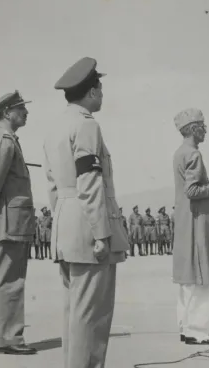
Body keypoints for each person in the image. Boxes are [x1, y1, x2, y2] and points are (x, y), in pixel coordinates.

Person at [44, 56, 130, 367]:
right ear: (91, 92)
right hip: (89, 227)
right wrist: (101, 234)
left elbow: (54, 186)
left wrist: (65, 224)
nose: (103, 95)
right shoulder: (86, 126)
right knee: (93, 317)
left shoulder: (55, 127)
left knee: (74, 314)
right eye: (101, 89)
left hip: (67, 226)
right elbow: (90, 182)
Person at [0, 90, 37, 355]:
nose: (26, 112)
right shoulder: (6, 141)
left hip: (0, 221)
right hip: (9, 222)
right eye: (21, 108)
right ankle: (9, 338)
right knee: (10, 281)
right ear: (7, 112)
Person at [171, 107, 209, 345]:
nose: (205, 130)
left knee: (188, 279)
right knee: (202, 277)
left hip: (186, 219)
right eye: (202, 126)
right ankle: (197, 329)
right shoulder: (194, 154)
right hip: (197, 219)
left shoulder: (180, 152)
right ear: (194, 129)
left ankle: (186, 327)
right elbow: (193, 190)